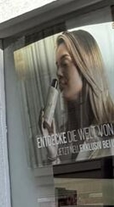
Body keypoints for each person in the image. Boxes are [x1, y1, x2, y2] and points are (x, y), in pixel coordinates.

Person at [40, 29, 114, 163]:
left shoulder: (109, 131)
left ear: (85, 66)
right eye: (57, 66)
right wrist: (53, 154)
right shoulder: (65, 135)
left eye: (65, 64)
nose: (58, 73)